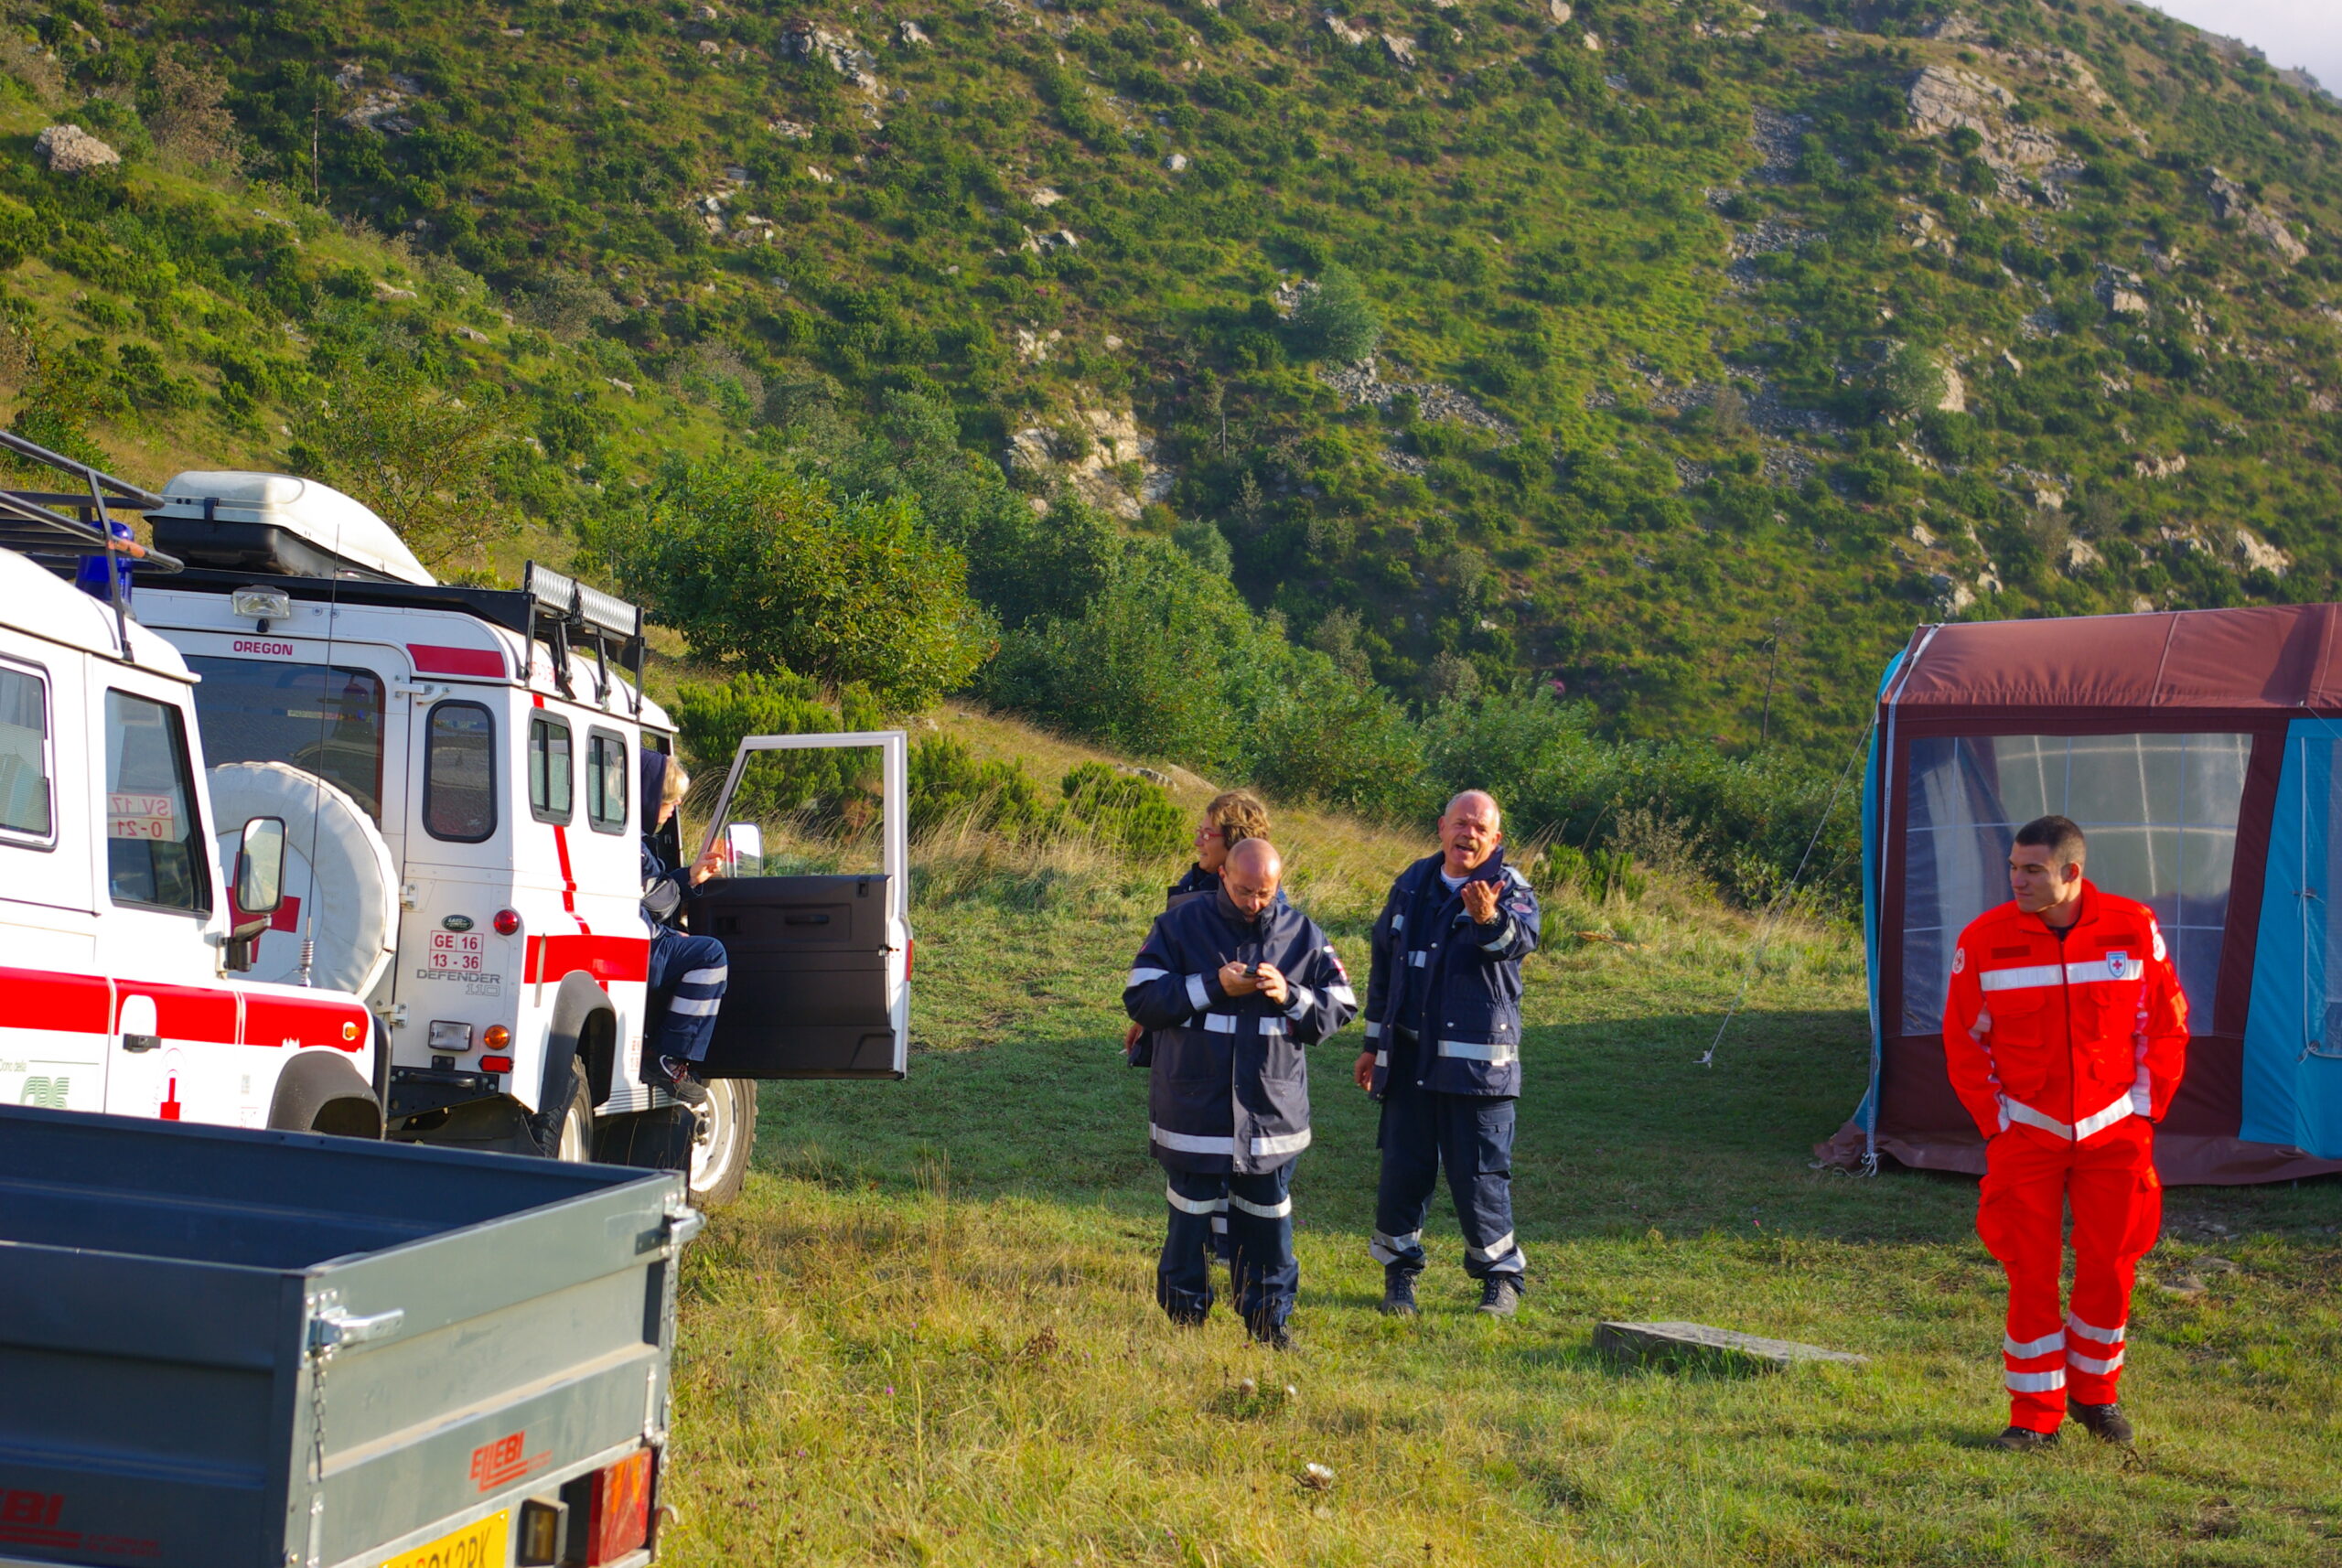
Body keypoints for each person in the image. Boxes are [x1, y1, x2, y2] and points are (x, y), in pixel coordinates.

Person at [1943, 815, 2187, 1451]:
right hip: (2026, 1137)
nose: (2016, 881)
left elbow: (2163, 1025)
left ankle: (2095, 1397)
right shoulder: (1985, 940)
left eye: (2032, 870)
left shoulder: (2133, 929)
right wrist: (1998, 1127)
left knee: (2110, 1267)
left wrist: (2144, 1111)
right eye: (2013, 868)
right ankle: (2034, 1416)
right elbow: (1964, 1043)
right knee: (2031, 1272)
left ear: (2071, 873)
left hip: (2116, 1134)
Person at [1123, 837, 1358, 1348]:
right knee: (1188, 1222)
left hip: (1271, 1117)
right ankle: (1185, 1325)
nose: (1255, 903)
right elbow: (1141, 998)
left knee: (1269, 1227)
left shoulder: (1303, 932)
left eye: (1266, 893)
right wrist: (1212, 985)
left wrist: (1290, 995)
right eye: (1246, 890)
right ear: (1225, 877)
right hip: (1193, 1111)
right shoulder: (1179, 925)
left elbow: (1341, 1006)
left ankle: (1270, 1325)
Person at [1356, 790, 1542, 1318]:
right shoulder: (1411, 884)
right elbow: (1384, 970)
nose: (1469, 834)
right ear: (1441, 828)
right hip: (1409, 1062)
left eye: (1481, 828)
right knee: (1402, 1173)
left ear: (1496, 840)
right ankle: (1400, 1278)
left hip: (1479, 1072)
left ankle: (1500, 1279)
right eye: (1461, 823)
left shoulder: (1511, 888)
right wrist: (1374, 1046)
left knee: (1479, 1176)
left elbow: (1519, 940)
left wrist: (1487, 919)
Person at [1125, 789, 1274, 1067]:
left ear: (1235, 842)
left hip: (1219, 1059)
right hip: (1178, 1048)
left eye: (1207, 835)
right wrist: (1148, 1020)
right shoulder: (1192, 885)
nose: (1197, 842)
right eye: (1199, 831)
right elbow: (1172, 963)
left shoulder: (1262, 912)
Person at [639, 750, 728, 1109]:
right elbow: (654, 903)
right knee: (710, 953)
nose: (673, 809)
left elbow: (649, 897)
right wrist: (685, 883)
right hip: (636, 949)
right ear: (648, 797)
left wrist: (689, 877)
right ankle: (669, 1059)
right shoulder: (632, 846)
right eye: (670, 801)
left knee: (685, 943)